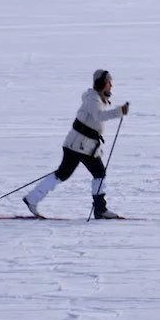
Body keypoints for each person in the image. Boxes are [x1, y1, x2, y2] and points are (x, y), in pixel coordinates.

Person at [23, 70, 130, 220]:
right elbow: (99, 116)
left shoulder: (97, 99)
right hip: (78, 145)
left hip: (85, 146)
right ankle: (100, 210)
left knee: (90, 173)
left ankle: (33, 198)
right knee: (77, 174)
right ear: (102, 83)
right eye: (108, 82)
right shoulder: (92, 99)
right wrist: (119, 111)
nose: (111, 85)